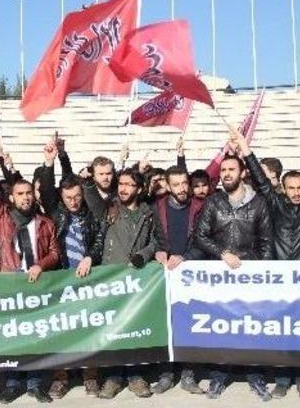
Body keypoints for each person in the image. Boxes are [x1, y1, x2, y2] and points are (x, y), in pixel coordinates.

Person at [233, 128, 300, 400]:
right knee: (282, 331)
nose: (296, 192)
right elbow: (261, 181)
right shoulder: (274, 204)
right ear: (283, 188)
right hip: (279, 279)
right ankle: (282, 380)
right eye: (291, 188)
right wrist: (246, 150)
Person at [0, 145, 59, 404]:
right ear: (11, 198)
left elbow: (55, 253)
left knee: (35, 337)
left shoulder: (45, 222)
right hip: (10, 285)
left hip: (36, 286)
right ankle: (12, 384)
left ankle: (35, 384)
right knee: (12, 337)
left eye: (28, 193)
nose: (25, 198)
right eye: (20, 194)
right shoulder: (3, 216)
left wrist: (41, 265)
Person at [192, 150, 273, 401]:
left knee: (251, 328)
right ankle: (218, 375)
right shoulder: (214, 202)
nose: (226, 174)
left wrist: (258, 271)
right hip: (220, 277)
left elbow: (266, 242)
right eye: (224, 170)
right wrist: (222, 253)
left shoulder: (258, 203)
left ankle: (255, 375)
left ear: (242, 173)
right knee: (221, 327)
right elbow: (200, 236)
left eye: (231, 170)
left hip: (249, 278)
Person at [37, 139, 104, 399]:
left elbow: (99, 239)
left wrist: (90, 257)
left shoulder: (90, 213)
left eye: (77, 197)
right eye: (68, 198)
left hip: (87, 278)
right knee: (61, 329)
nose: (73, 202)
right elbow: (47, 190)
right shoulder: (57, 212)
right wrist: (51, 161)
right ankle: (60, 377)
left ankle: (90, 375)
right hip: (61, 278)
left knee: (88, 328)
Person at [97, 168, 164, 400]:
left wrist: (143, 255)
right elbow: (97, 238)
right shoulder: (110, 207)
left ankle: (136, 376)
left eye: (129, 184)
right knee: (114, 328)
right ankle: (113, 377)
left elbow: (156, 240)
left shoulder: (148, 212)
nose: (123, 188)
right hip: (112, 277)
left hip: (137, 278)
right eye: (121, 184)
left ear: (139, 188)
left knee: (135, 327)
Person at [150, 165, 206, 395]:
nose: (182, 188)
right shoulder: (158, 207)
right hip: (166, 274)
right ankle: (166, 373)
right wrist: (158, 251)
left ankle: (188, 374)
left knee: (188, 324)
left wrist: (186, 257)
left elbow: (205, 241)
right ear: (167, 186)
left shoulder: (201, 206)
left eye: (185, 183)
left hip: (191, 273)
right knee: (166, 324)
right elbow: (154, 237)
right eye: (176, 185)